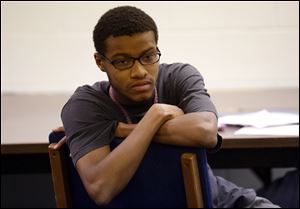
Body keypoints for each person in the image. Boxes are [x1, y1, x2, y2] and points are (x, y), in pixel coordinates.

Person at [59, 5, 279, 207]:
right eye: (123, 61)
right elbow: (101, 188)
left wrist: (120, 130)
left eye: (148, 56)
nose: (139, 72)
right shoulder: (86, 104)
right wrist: (156, 114)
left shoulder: (179, 77)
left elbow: (205, 131)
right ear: (100, 62)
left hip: (219, 200)